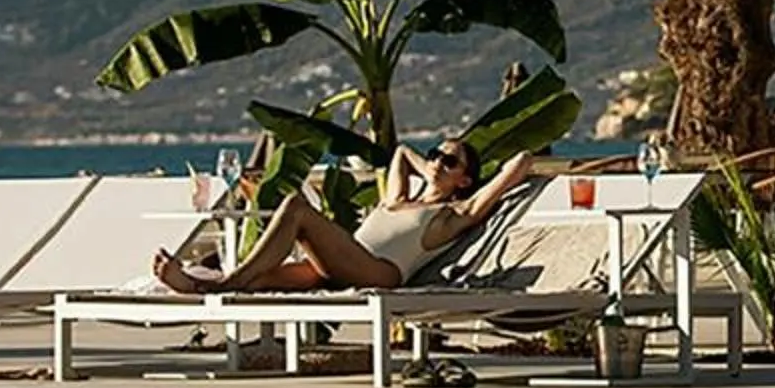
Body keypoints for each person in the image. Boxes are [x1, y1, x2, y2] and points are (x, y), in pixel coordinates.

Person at [152, 138, 535, 296]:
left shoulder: (453, 214)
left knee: (296, 209)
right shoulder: (399, 197)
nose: (437, 161)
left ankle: (223, 284)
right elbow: (401, 151)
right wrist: (433, 168)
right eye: (435, 153)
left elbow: (519, 165)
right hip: (338, 265)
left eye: (449, 161)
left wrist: (455, 182)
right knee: (261, 280)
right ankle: (200, 285)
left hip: (378, 272)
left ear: (464, 179)